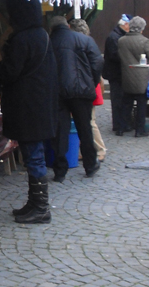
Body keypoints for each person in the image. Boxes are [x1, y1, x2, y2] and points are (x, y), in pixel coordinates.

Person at [0, 0, 58, 224]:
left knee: (34, 157)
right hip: (38, 105)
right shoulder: (42, 35)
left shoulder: (23, 39)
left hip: (29, 107)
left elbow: (10, 71)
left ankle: (41, 207)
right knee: (33, 156)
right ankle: (34, 203)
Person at [49, 16, 104, 182]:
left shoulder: (48, 42)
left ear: (52, 29)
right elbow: (97, 62)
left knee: (60, 131)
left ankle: (60, 171)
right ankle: (90, 165)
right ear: (67, 25)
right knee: (84, 128)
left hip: (57, 92)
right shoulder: (84, 39)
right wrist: (90, 82)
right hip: (81, 91)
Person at [69, 18, 106, 162]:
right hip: (89, 85)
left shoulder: (80, 44)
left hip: (87, 86)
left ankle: (100, 149)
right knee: (87, 120)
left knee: (89, 121)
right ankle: (86, 149)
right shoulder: (88, 42)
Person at [117, 16, 149, 137]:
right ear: (142, 28)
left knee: (126, 104)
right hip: (141, 79)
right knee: (141, 105)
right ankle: (140, 130)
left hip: (127, 76)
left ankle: (121, 128)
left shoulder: (121, 40)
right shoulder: (145, 41)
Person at [103, 14, 131, 135]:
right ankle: (119, 125)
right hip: (115, 73)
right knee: (117, 100)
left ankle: (121, 124)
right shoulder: (114, 37)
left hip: (117, 73)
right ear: (125, 24)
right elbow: (115, 55)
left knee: (119, 99)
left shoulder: (117, 35)